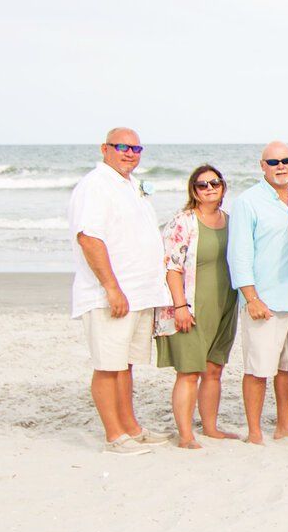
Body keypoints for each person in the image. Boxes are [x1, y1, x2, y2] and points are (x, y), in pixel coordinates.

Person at [68, 128, 169, 454]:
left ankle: (131, 427)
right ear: (105, 149)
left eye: (136, 148)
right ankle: (114, 435)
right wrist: (112, 288)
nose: (130, 153)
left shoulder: (127, 184)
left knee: (125, 365)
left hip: (139, 293)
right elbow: (89, 238)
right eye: (123, 147)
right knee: (108, 365)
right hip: (111, 295)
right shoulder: (96, 185)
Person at [227, 141, 288, 444]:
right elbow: (238, 254)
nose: (280, 166)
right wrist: (251, 298)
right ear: (262, 166)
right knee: (258, 369)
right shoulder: (248, 202)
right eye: (273, 162)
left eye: (285, 160)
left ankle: (285, 425)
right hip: (263, 299)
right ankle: (254, 430)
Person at [155, 165, 239, 449]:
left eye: (214, 183)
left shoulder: (230, 220)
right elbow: (171, 267)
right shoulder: (183, 222)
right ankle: (186, 435)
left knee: (214, 369)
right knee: (189, 371)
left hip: (225, 303)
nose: (209, 188)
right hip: (190, 305)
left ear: (223, 187)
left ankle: (211, 427)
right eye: (202, 185)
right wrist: (180, 306)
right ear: (194, 190)